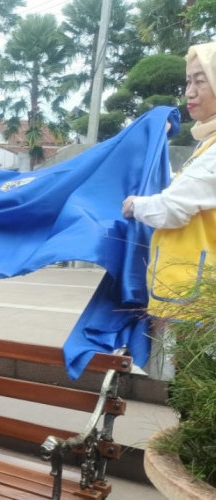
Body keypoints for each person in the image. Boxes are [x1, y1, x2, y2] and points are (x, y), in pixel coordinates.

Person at [122, 41, 216, 380]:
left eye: (200, 81)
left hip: (195, 299)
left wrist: (136, 206)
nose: (189, 92)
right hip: (184, 291)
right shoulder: (206, 144)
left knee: (187, 388)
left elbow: (174, 207)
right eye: (187, 82)